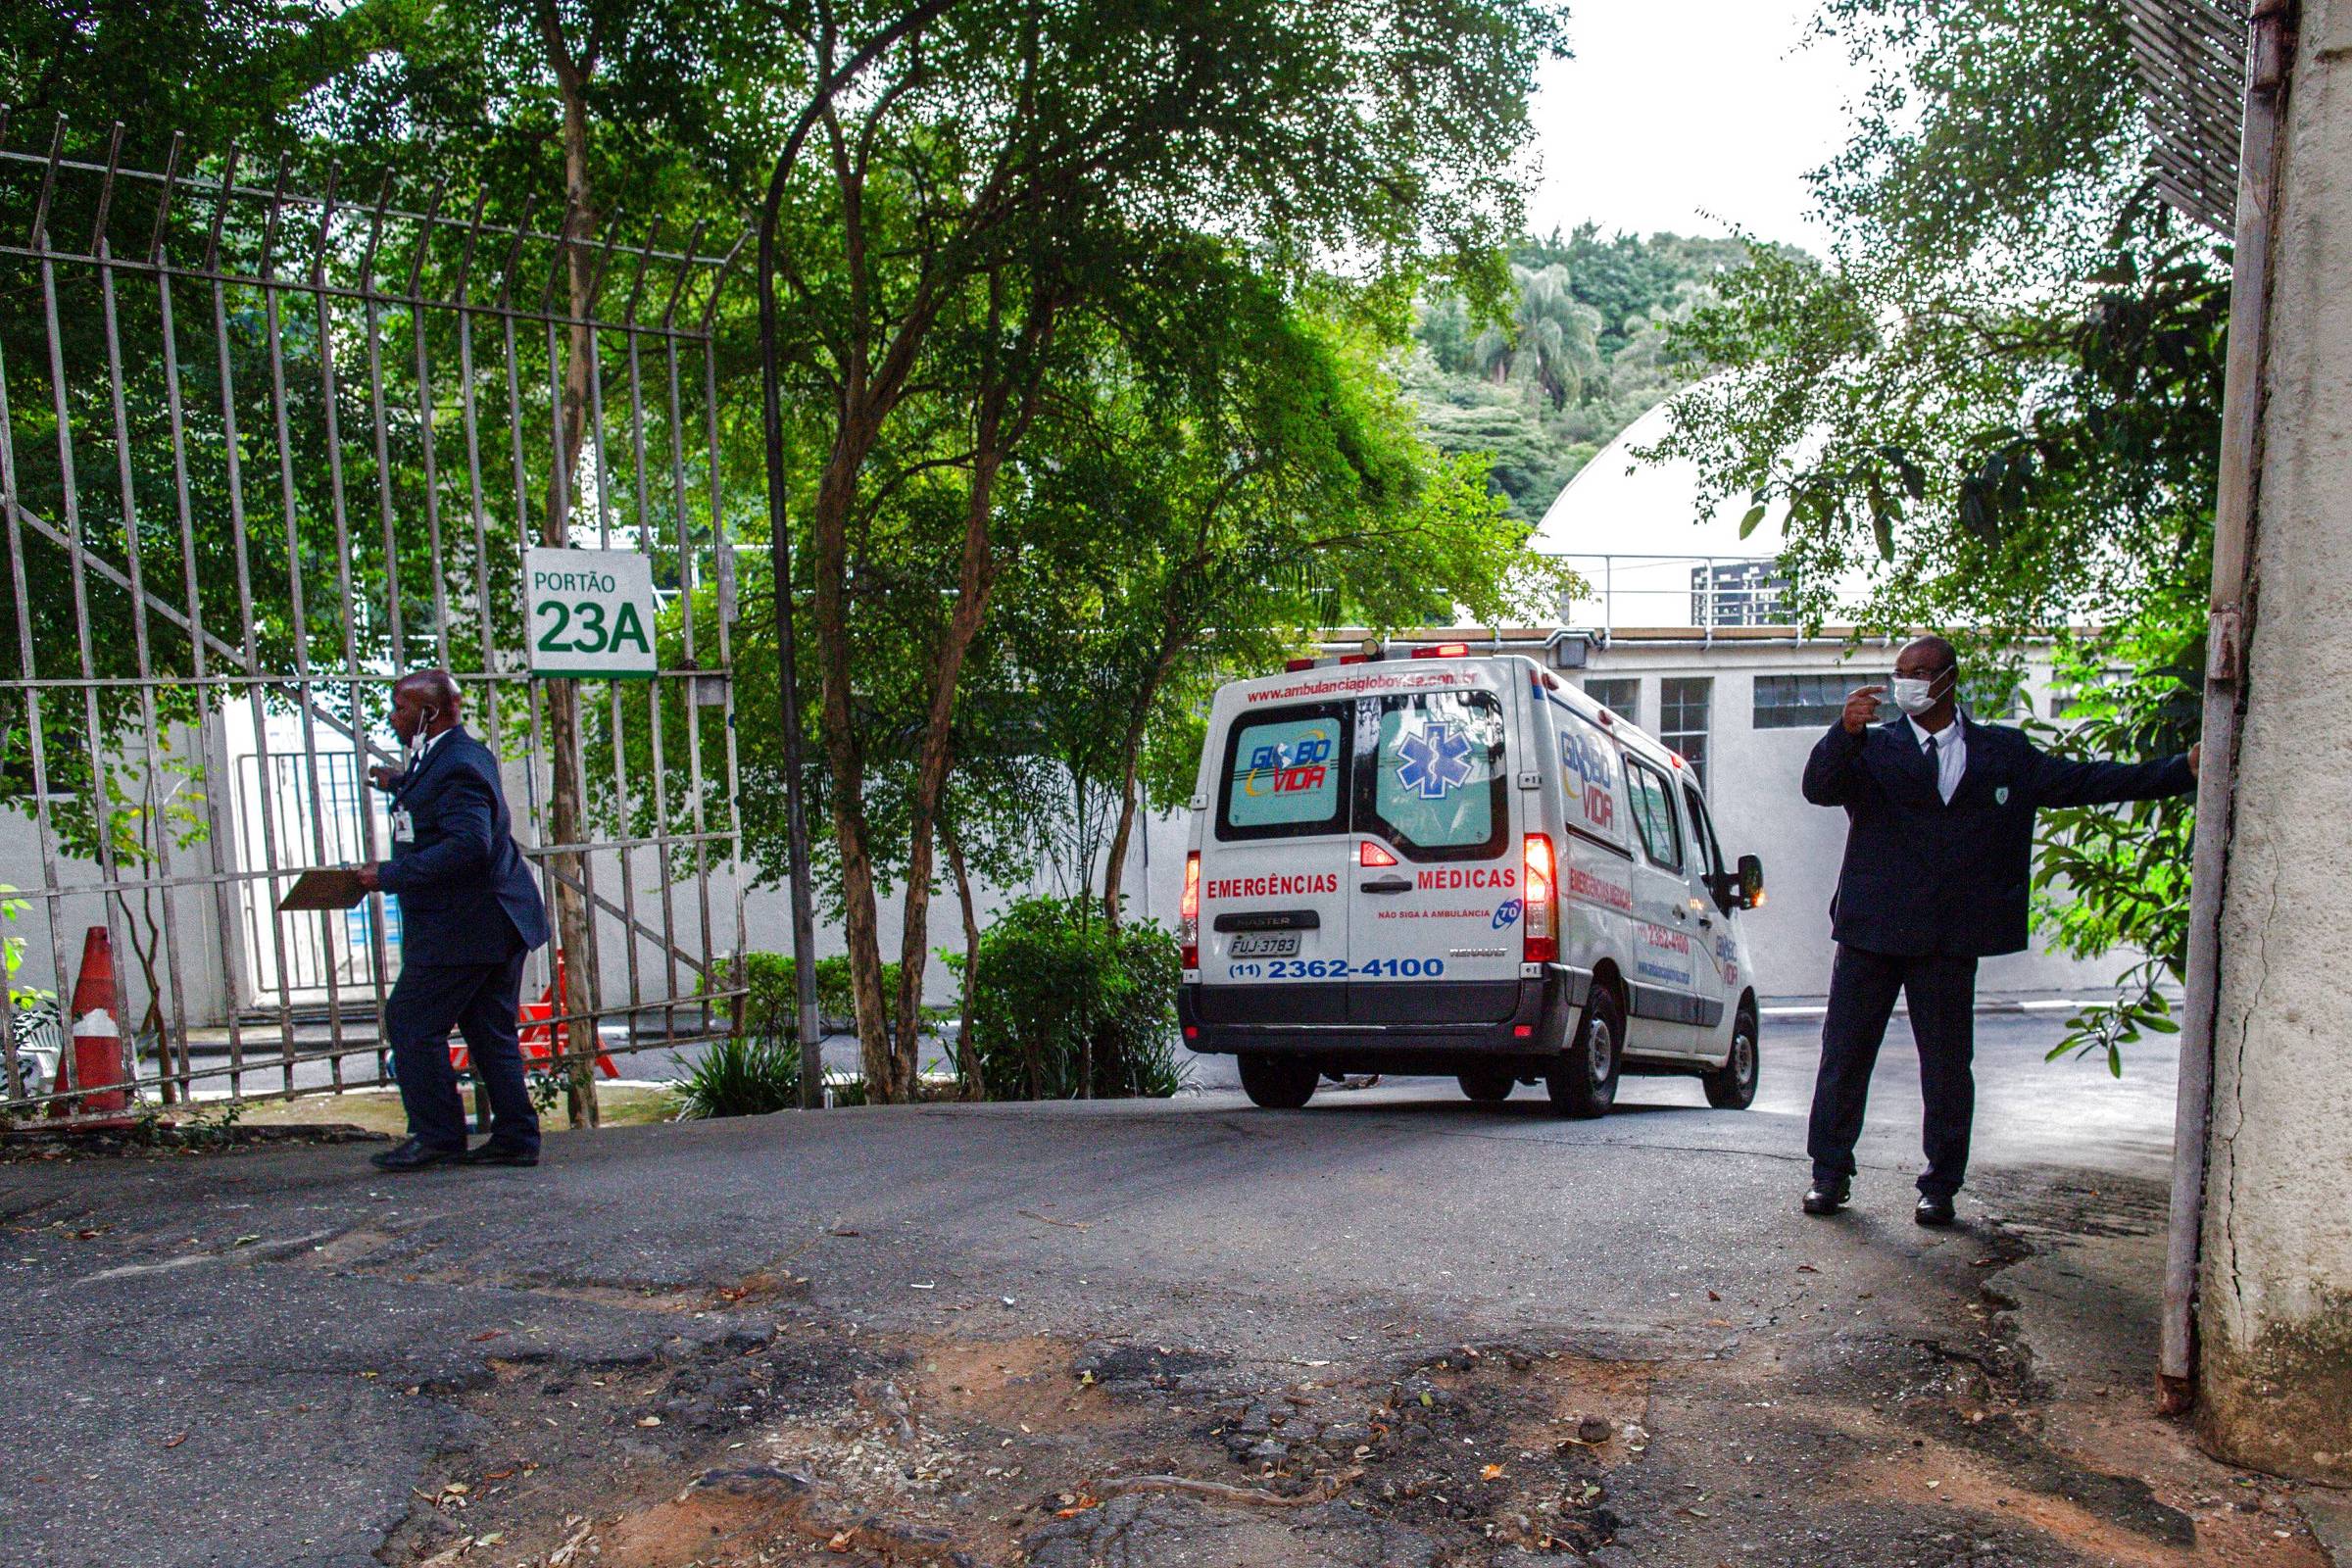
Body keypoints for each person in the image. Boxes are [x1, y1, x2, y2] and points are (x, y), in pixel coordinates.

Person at [1798, 636, 2198, 1225]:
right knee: (1846, 1056)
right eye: (1898, 671)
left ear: (1948, 680)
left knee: (1948, 1066)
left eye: (1919, 672)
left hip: (1949, 937)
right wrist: (1844, 733)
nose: (1905, 681)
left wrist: (2179, 770)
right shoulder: (1871, 750)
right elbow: (1818, 788)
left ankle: (1940, 1185)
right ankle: (1829, 1176)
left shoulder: (2002, 752)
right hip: (1872, 931)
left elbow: (2084, 782)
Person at [357, 669, 552, 1171]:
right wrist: (398, 783)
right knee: (489, 1030)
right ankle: (515, 1137)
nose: (392, 717)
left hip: (468, 925)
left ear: (429, 713)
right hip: (491, 920)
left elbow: (469, 844)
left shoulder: (458, 762)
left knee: (411, 1021)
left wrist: (390, 875)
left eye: (400, 707)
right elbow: (443, 802)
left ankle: (438, 1134)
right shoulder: (453, 755)